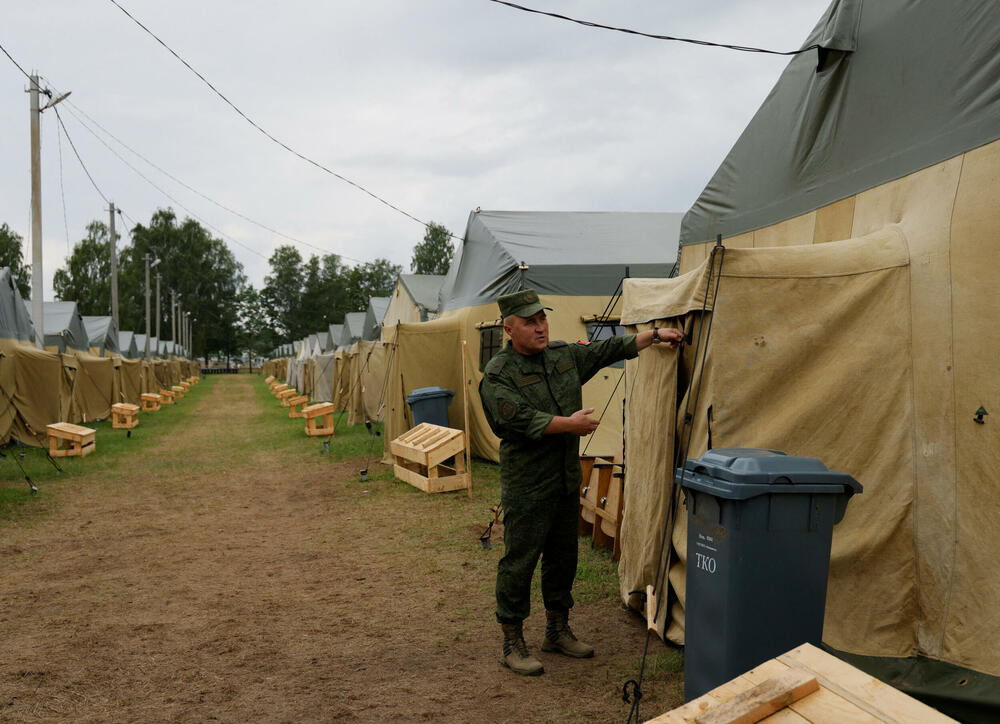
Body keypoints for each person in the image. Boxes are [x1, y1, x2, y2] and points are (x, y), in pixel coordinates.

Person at [479, 288, 683, 676]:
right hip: (528, 483)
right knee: (520, 561)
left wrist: (654, 335)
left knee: (563, 557)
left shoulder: (561, 355)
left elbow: (608, 351)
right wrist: (569, 425)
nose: (540, 327)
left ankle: (556, 630)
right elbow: (516, 419)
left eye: (542, 319)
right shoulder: (499, 374)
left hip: (566, 479)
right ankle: (512, 639)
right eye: (530, 322)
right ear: (509, 329)